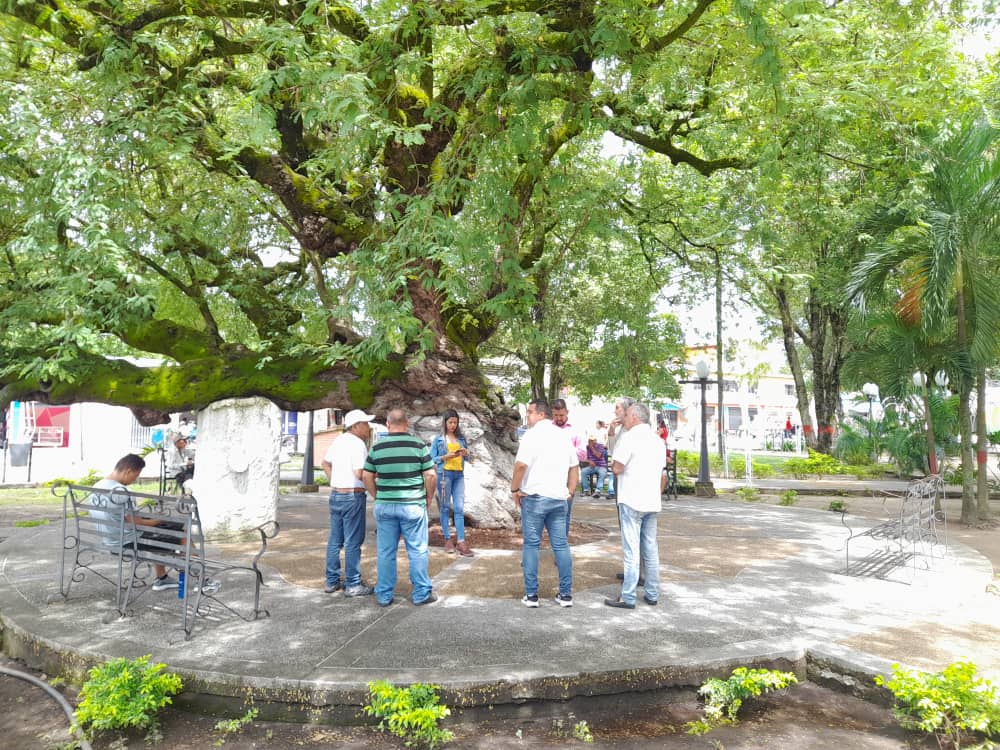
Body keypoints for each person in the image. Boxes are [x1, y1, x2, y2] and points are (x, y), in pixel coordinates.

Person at [363, 408, 438, 607]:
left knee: (386, 551)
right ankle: (421, 593)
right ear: (407, 424)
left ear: (388, 424)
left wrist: (377, 495)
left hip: (385, 506)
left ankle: (384, 594)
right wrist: (428, 497)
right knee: (418, 550)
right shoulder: (418, 445)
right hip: (413, 505)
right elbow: (431, 475)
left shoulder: (377, 448)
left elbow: (366, 476)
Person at [510, 399, 578, 608]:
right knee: (561, 545)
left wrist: (514, 489)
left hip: (535, 497)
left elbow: (521, 465)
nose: (527, 416)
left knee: (531, 545)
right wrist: (570, 491)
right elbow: (574, 467)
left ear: (541, 414)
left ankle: (532, 595)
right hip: (558, 498)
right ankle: (565, 595)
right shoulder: (563, 436)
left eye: (530, 412)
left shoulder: (531, 435)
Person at [87, 453, 185, 591]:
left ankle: (162, 578)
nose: (135, 479)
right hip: (128, 541)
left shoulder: (97, 485)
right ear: (128, 471)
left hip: (110, 539)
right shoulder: (122, 491)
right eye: (136, 475)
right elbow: (137, 523)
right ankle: (202, 579)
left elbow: (123, 517)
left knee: (166, 529)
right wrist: (158, 520)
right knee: (181, 535)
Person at [605, 402, 665, 609]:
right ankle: (652, 592)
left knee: (631, 550)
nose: (626, 418)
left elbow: (617, 467)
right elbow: (662, 473)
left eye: (628, 414)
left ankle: (628, 596)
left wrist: (614, 465)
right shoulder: (658, 441)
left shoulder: (629, 438)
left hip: (631, 498)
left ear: (635, 417)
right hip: (651, 500)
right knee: (650, 548)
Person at [321, 409, 377, 597]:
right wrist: (376, 482)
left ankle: (331, 581)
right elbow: (360, 473)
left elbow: (325, 463)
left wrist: (334, 481)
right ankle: (353, 583)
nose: (368, 428)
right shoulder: (357, 444)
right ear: (356, 426)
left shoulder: (339, 440)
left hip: (336, 495)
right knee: (353, 541)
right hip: (353, 496)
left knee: (335, 541)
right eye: (366, 424)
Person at [430, 409, 474, 557]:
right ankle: (447, 539)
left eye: (455, 422)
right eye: (450, 422)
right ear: (445, 422)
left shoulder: (461, 439)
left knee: (459, 508)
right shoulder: (439, 439)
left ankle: (461, 542)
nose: (453, 425)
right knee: (444, 508)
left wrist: (466, 454)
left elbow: (468, 459)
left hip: (459, 476)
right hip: (444, 475)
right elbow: (431, 459)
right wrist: (444, 457)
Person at [550, 398, 587, 536]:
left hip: (568, 479)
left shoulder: (575, 431)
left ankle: (561, 546)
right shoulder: (547, 429)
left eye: (562, 415)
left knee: (564, 513)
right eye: (556, 415)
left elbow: (583, 454)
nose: (559, 418)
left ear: (567, 412)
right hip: (549, 476)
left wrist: (562, 451)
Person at [605, 396, 636, 501]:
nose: (615, 411)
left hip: (630, 478)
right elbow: (611, 451)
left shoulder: (635, 429)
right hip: (618, 476)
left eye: (617, 408)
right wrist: (611, 431)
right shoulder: (621, 429)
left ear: (627, 411)